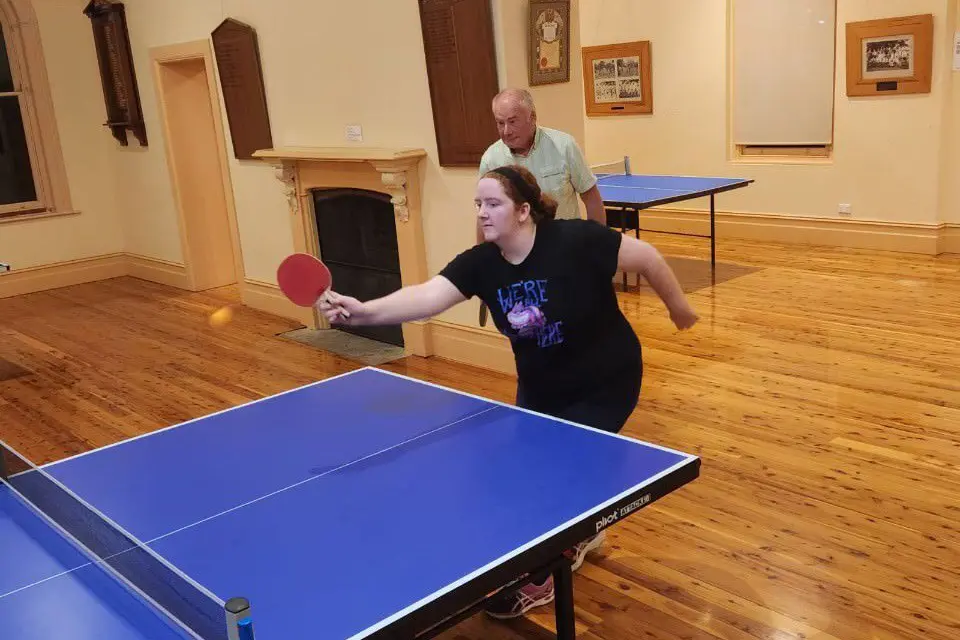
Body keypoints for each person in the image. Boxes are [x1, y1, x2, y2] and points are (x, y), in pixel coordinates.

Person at [317, 165, 698, 620]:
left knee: (564, 473)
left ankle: (543, 577)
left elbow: (649, 258)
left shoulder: (576, 240)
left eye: (493, 203)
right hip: (541, 389)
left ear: (523, 211)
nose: (483, 213)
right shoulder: (482, 264)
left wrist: (680, 309)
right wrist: (361, 312)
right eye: (478, 204)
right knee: (526, 479)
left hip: (606, 380)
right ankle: (585, 531)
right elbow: (425, 297)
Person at [479, 88, 606, 233]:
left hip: (564, 246)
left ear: (532, 117)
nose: (507, 131)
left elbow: (591, 198)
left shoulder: (564, 147)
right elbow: (484, 215)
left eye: (512, 121)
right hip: (514, 252)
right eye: (500, 123)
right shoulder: (491, 160)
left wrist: (598, 245)